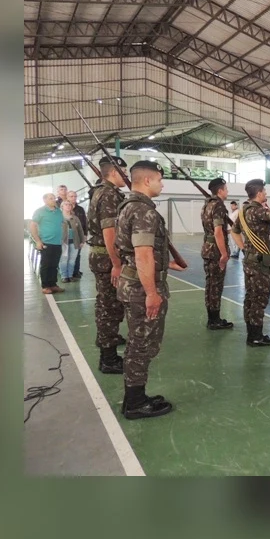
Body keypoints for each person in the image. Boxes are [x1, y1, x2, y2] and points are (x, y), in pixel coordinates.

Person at [116, 160, 185, 419]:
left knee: (138, 343)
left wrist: (167, 265)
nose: (162, 184)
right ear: (147, 180)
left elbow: (133, 250)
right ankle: (135, 403)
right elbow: (143, 253)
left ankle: (135, 396)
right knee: (142, 345)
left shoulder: (128, 206)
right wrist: (152, 293)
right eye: (159, 179)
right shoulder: (143, 211)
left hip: (132, 283)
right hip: (141, 289)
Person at [87, 155, 129, 373]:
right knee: (110, 307)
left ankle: (107, 340)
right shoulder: (109, 195)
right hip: (107, 258)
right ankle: (109, 359)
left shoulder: (100, 191)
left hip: (101, 256)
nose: (127, 176)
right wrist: (117, 264)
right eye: (124, 171)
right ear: (113, 172)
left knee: (106, 304)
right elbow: (110, 232)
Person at [230, 179, 270, 347]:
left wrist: (244, 248)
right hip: (259, 262)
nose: (266, 193)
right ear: (259, 193)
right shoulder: (257, 211)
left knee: (251, 297)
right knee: (259, 298)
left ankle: (252, 333)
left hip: (251, 259)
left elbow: (234, 231)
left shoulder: (243, 211)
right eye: (265, 191)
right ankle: (256, 336)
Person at [200, 178, 235, 330]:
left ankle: (212, 317)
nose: (227, 191)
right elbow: (218, 232)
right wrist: (224, 254)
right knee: (216, 286)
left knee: (210, 285)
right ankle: (214, 320)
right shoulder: (219, 205)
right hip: (215, 251)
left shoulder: (207, 204)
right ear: (220, 191)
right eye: (226, 189)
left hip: (207, 248)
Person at [29, 193, 65, 294]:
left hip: (57, 243)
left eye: (54, 198)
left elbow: (62, 224)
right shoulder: (40, 211)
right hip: (46, 242)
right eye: (51, 198)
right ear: (44, 200)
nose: (53, 200)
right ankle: (45, 286)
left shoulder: (58, 211)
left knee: (54, 265)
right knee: (46, 265)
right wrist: (38, 241)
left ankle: (53, 284)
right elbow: (32, 225)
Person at [59, 200, 84, 283]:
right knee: (63, 259)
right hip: (63, 242)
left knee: (72, 260)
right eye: (66, 204)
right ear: (62, 207)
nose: (68, 206)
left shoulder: (75, 218)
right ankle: (64, 276)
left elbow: (80, 230)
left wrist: (82, 241)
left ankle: (70, 275)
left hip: (74, 242)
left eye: (69, 204)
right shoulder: (58, 217)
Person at [67, 190, 87, 278]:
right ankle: (68, 273)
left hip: (78, 235)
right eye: (71, 196)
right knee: (67, 255)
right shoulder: (64, 209)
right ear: (67, 197)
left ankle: (76, 271)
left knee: (77, 254)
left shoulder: (80, 209)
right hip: (67, 236)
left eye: (75, 196)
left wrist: (85, 235)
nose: (73, 198)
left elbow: (84, 222)